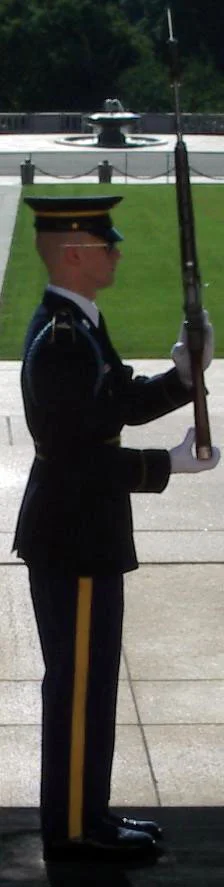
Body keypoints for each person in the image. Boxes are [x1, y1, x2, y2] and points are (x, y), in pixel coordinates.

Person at [13, 195, 219, 865]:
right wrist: (169, 464)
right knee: (77, 685)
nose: (118, 252)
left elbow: (116, 401)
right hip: (73, 536)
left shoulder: (79, 325)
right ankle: (74, 828)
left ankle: (88, 811)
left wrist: (181, 378)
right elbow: (78, 458)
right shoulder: (63, 340)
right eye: (108, 244)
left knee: (93, 682)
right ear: (74, 252)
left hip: (84, 534)